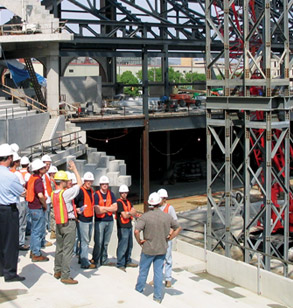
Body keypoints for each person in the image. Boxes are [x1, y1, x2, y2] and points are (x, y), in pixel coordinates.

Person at [135, 192, 181, 303]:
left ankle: (138, 291)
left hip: (148, 249)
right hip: (161, 248)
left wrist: (140, 241)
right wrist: (170, 237)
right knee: (158, 273)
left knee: (143, 271)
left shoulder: (145, 217)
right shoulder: (166, 216)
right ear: (159, 203)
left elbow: (136, 231)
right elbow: (178, 228)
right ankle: (157, 297)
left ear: (150, 204)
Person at [52, 161, 82, 285]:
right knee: (68, 250)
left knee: (59, 248)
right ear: (63, 182)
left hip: (59, 223)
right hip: (68, 223)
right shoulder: (66, 193)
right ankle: (65, 275)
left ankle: (57, 270)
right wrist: (74, 169)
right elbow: (80, 183)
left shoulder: (54, 193)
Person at [0, 143, 26, 282]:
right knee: (10, 242)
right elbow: (22, 192)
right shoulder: (11, 177)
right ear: (9, 158)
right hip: (9, 210)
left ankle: (1, 269)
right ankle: (10, 273)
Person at [26, 159, 49, 262]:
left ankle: (33, 250)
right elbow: (40, 195)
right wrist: (44, 205)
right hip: (37, 208)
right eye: (43, 167)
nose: (45, 168)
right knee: (38, 231)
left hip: (31, 207)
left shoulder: (31, 178)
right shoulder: (38, 180)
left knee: (34, 230)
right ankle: (36, 253)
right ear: (39, 170)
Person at [92, 175, 117, 266]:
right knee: (98, 241)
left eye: (106, 184)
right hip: (100, 221)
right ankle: (96, 259)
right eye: (103, 184)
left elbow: (115, 208)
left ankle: (104, 259)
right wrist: (109, 208)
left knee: (106, 242)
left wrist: (104, 208)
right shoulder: (96, 195)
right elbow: (97, 210)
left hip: (110, 220)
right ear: (100, 185)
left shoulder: (111, 194)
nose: (105, 186)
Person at [74, 171, 96, 269]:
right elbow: (74, 203)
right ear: (84, 181)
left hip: (90, 218)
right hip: (82, 219)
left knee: (86, 240)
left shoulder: (91, 191)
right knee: (84, 241)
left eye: (91, 181)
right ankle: (84, 262)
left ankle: (81, 258)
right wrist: (77, 213)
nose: (89, 183)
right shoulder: (80, 191)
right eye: (87, 181)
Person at [158, 188, 178, 288]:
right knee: (158, 258)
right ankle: (157, 278)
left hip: (166, 237)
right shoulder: (156, 207)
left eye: (160, 198)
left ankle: (168, 278)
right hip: (158, 237)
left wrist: (170, 234)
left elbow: (174, 223)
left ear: (164, 199)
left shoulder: (169, 208)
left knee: (168, 258)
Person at [115, 184, 138, 271]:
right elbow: (124, 215)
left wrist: (128, 213)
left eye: (125, 193)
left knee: (129, 244)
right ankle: (120, 263)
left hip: (129, 225)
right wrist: (129, 213)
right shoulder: (119, 203)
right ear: (120, 193)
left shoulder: (128, 202)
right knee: (123, 245)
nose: (124, 194)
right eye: (122, 193)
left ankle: (128, 260)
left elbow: (134, 211)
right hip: (122, 226)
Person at [11, 153, 30, 251]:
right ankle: (21, 243)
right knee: (22, 222)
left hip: (11, 202)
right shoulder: (17, 174)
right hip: (20, 201)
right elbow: (22, 188)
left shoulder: (8, 172)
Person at [41, 154, 53, 245]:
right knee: (43, 221)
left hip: (48, 199)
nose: (48, 166)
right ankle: (42, 240)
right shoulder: (43, 175)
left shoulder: (46, 175)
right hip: (45, 200)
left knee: (45, 220)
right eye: (46, 164)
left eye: (49, 164)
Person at [48, 165, 58, 239]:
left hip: (54, 201)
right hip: (53, 202)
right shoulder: (51, 182)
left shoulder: (53, 181)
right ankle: (53, 232)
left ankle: (54, 231)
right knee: (53, 217)